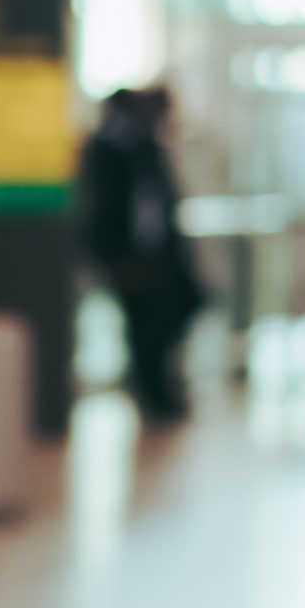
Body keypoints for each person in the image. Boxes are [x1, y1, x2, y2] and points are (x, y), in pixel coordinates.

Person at [78, 86, 206, 423]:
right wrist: (115, 258)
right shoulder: (107, 149)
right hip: (128, 257)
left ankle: (160, 389)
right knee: (143, 327)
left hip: (157, 255)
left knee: (180, 307)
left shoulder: (146, 147)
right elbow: (100, 211)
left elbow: (162, 205)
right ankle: (153, 394)